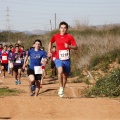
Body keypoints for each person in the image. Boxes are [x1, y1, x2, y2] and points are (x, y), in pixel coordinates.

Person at [48, 21, 77, 97]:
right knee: (60, 71)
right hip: (58, 58)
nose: (63, 29)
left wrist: (69, 46)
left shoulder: (70, 37)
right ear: (59, 28)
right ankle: (61, 87)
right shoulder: (55, 36)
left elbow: (76, 47)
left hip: (66, 59)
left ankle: (63, 88)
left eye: (64, 28)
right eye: (61, 28)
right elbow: (50, 43)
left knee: (65, 76)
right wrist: (49, 51)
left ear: (66, 29)